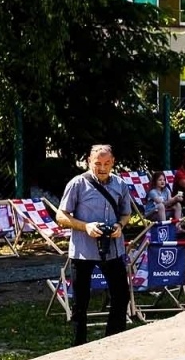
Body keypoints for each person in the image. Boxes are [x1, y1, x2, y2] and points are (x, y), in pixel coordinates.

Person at [54, 144, 136, 345]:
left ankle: (112, 341)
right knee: (80, 303)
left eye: (107, 163)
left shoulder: (120, 184)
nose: (102, 167)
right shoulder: (77, 184)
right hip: (83, 251)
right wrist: (86, 226)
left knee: (121, 296)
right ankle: (78, 346)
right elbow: (60, 216)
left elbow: (126, 213)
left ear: (113, 162)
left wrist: (119, 225)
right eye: (98, 163)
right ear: (89, 162)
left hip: (112, 248)